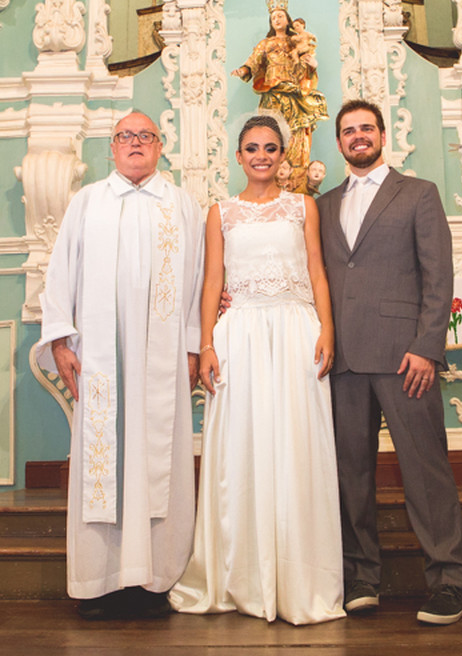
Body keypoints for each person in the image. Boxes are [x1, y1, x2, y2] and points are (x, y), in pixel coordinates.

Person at [169, 113, 344, 625]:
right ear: (239, 156)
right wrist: (205, 345)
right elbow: (210, 282)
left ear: (282, 154)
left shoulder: (303, 207)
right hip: (239, 334)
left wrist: (326, 329)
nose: (262, 155)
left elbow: (317, 269)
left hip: (295, 332)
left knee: (296, 443)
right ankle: (238, 573)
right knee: (241, 447)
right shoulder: (220, 212)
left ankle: (299, 576)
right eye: (252, 148)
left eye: (270, 147)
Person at [36, 111, 204, 618]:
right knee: (102, 462)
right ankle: (98, 582)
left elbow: (197, 280)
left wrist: (193, 347)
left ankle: (154, 581)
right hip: (100, 357)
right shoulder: (87, 202)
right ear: (112, 148)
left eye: (145, 137)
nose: (136, 144)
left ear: (159, 147)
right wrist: (62, 341)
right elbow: (60, 271)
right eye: (126, 137)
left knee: (160, 458)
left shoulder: (182, 205)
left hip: (164, 356)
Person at [316, 99, 462, 626]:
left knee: (425, 471)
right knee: (351, 474)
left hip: (406, 357)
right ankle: (362, 577)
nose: (358, 137)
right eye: (348, 131)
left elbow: (438, 276)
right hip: (342, 362)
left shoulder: (418, 193)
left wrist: (428, 346)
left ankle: (449, 579)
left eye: (366, 128)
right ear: (338, 143)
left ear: (382, 135)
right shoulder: (322, 204)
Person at [232, 0, 328, 193]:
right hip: (273, 97)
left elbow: (306, 66)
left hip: (294, 98)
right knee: (271, 138)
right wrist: (243, 70)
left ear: (288, 19)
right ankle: (272, 184)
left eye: (281, 16)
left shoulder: (297, 43)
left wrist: (313, 66)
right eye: (273, 17)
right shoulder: (265, 44)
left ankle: (299, 186)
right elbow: (253, 61)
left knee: (297, 138)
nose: (277, 19)